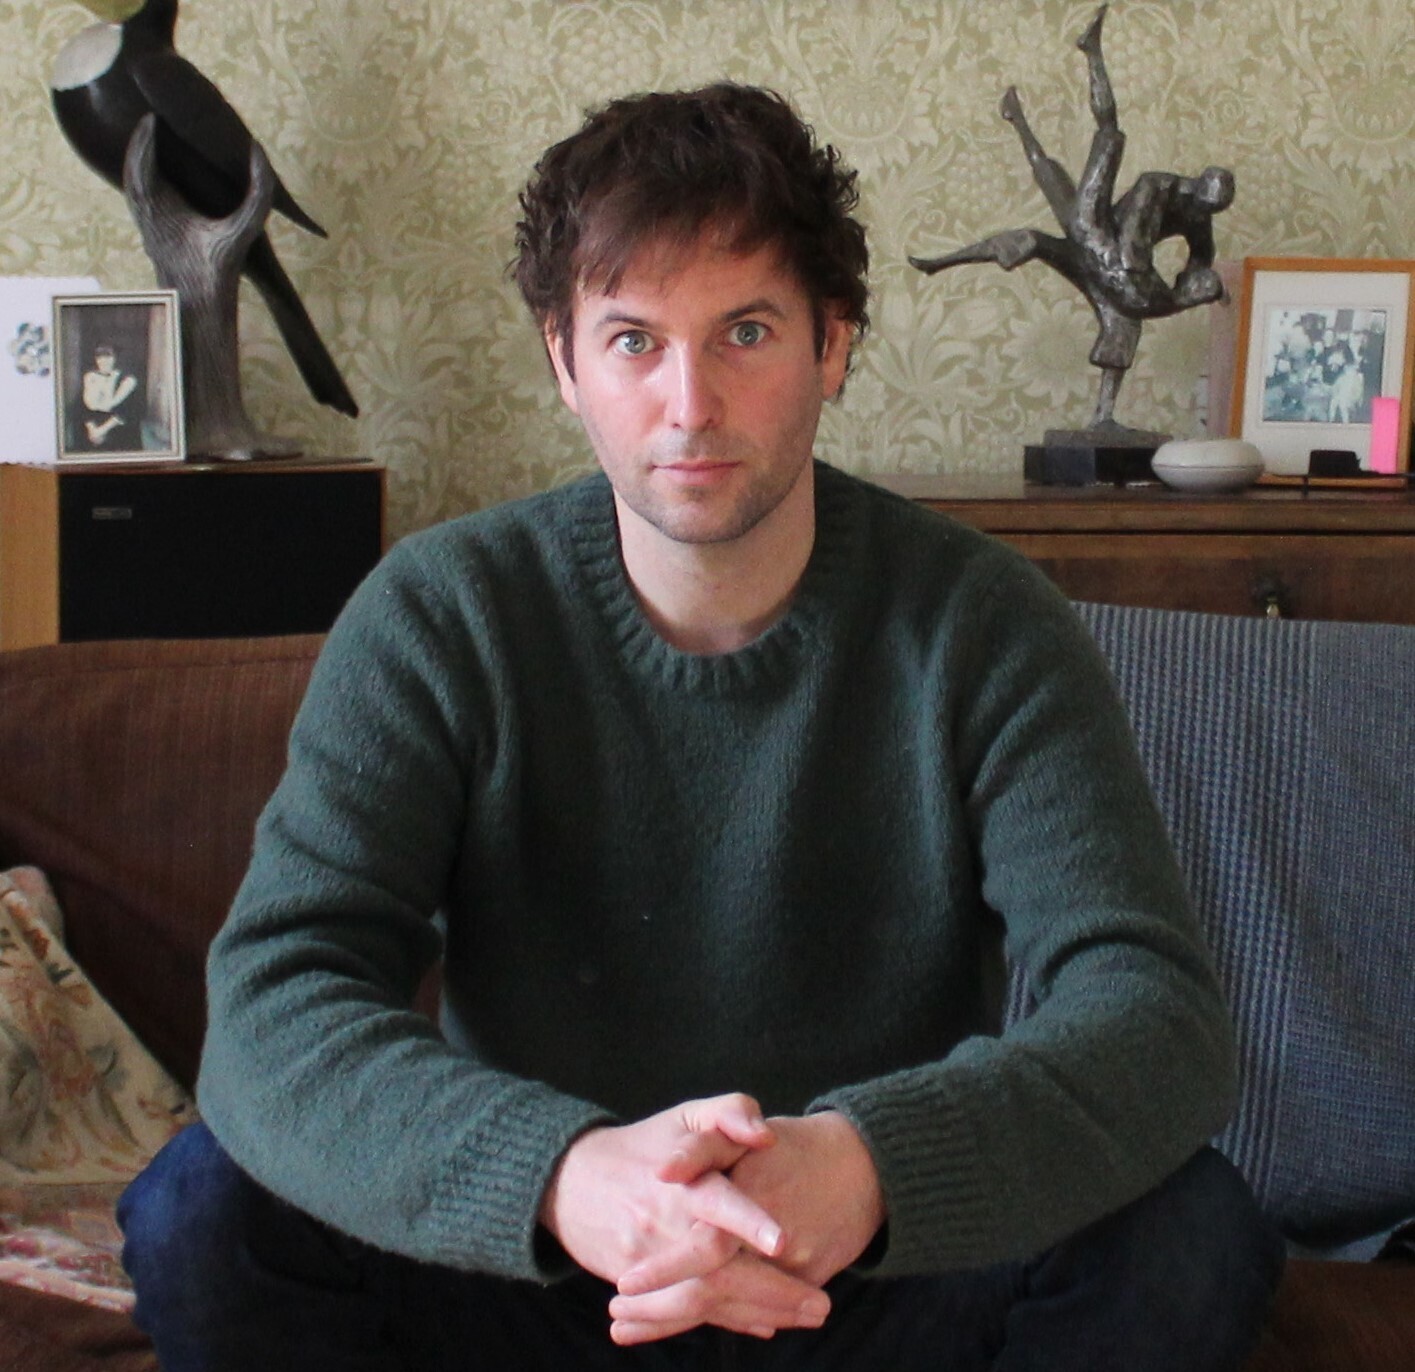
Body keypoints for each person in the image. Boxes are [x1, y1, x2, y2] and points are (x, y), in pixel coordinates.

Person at [118, 81, 1284, 1370]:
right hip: (540, 1269)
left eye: (744, 331)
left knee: (1189, 1229)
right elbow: (276, 1004)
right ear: (562, 361)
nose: (688, 404)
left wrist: (866, 1163)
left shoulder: (983, 623)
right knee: (201, 1211)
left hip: (872, 1271)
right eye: (632, 340)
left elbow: (1149, 1011)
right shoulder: (441, 614)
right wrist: (563, 1174)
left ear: (832, 344)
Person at [910, 4, 1234, 430]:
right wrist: (1162, 287)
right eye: (1202, 202)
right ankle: (1091, 52)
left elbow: (1201, 257)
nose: (1201, 212)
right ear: (1199, 182)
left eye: (1209, 210)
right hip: (1096, 227)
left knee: (1114, 323)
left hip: (1102, 277)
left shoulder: (1192, 234)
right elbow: (1132, 248)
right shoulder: (1160, 186)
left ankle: (1103, 417)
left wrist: (1203, 284)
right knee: (1109, 138)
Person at [80, 344, 139, 448]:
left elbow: (122, 409)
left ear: (115, 358)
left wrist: (101, 431)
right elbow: (85, 406)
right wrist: (92, 429)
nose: (103, 361)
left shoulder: (128, 380)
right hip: (93, 427)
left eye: (108, 357)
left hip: (118, 427)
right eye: (99, 357)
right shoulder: (90, 377)